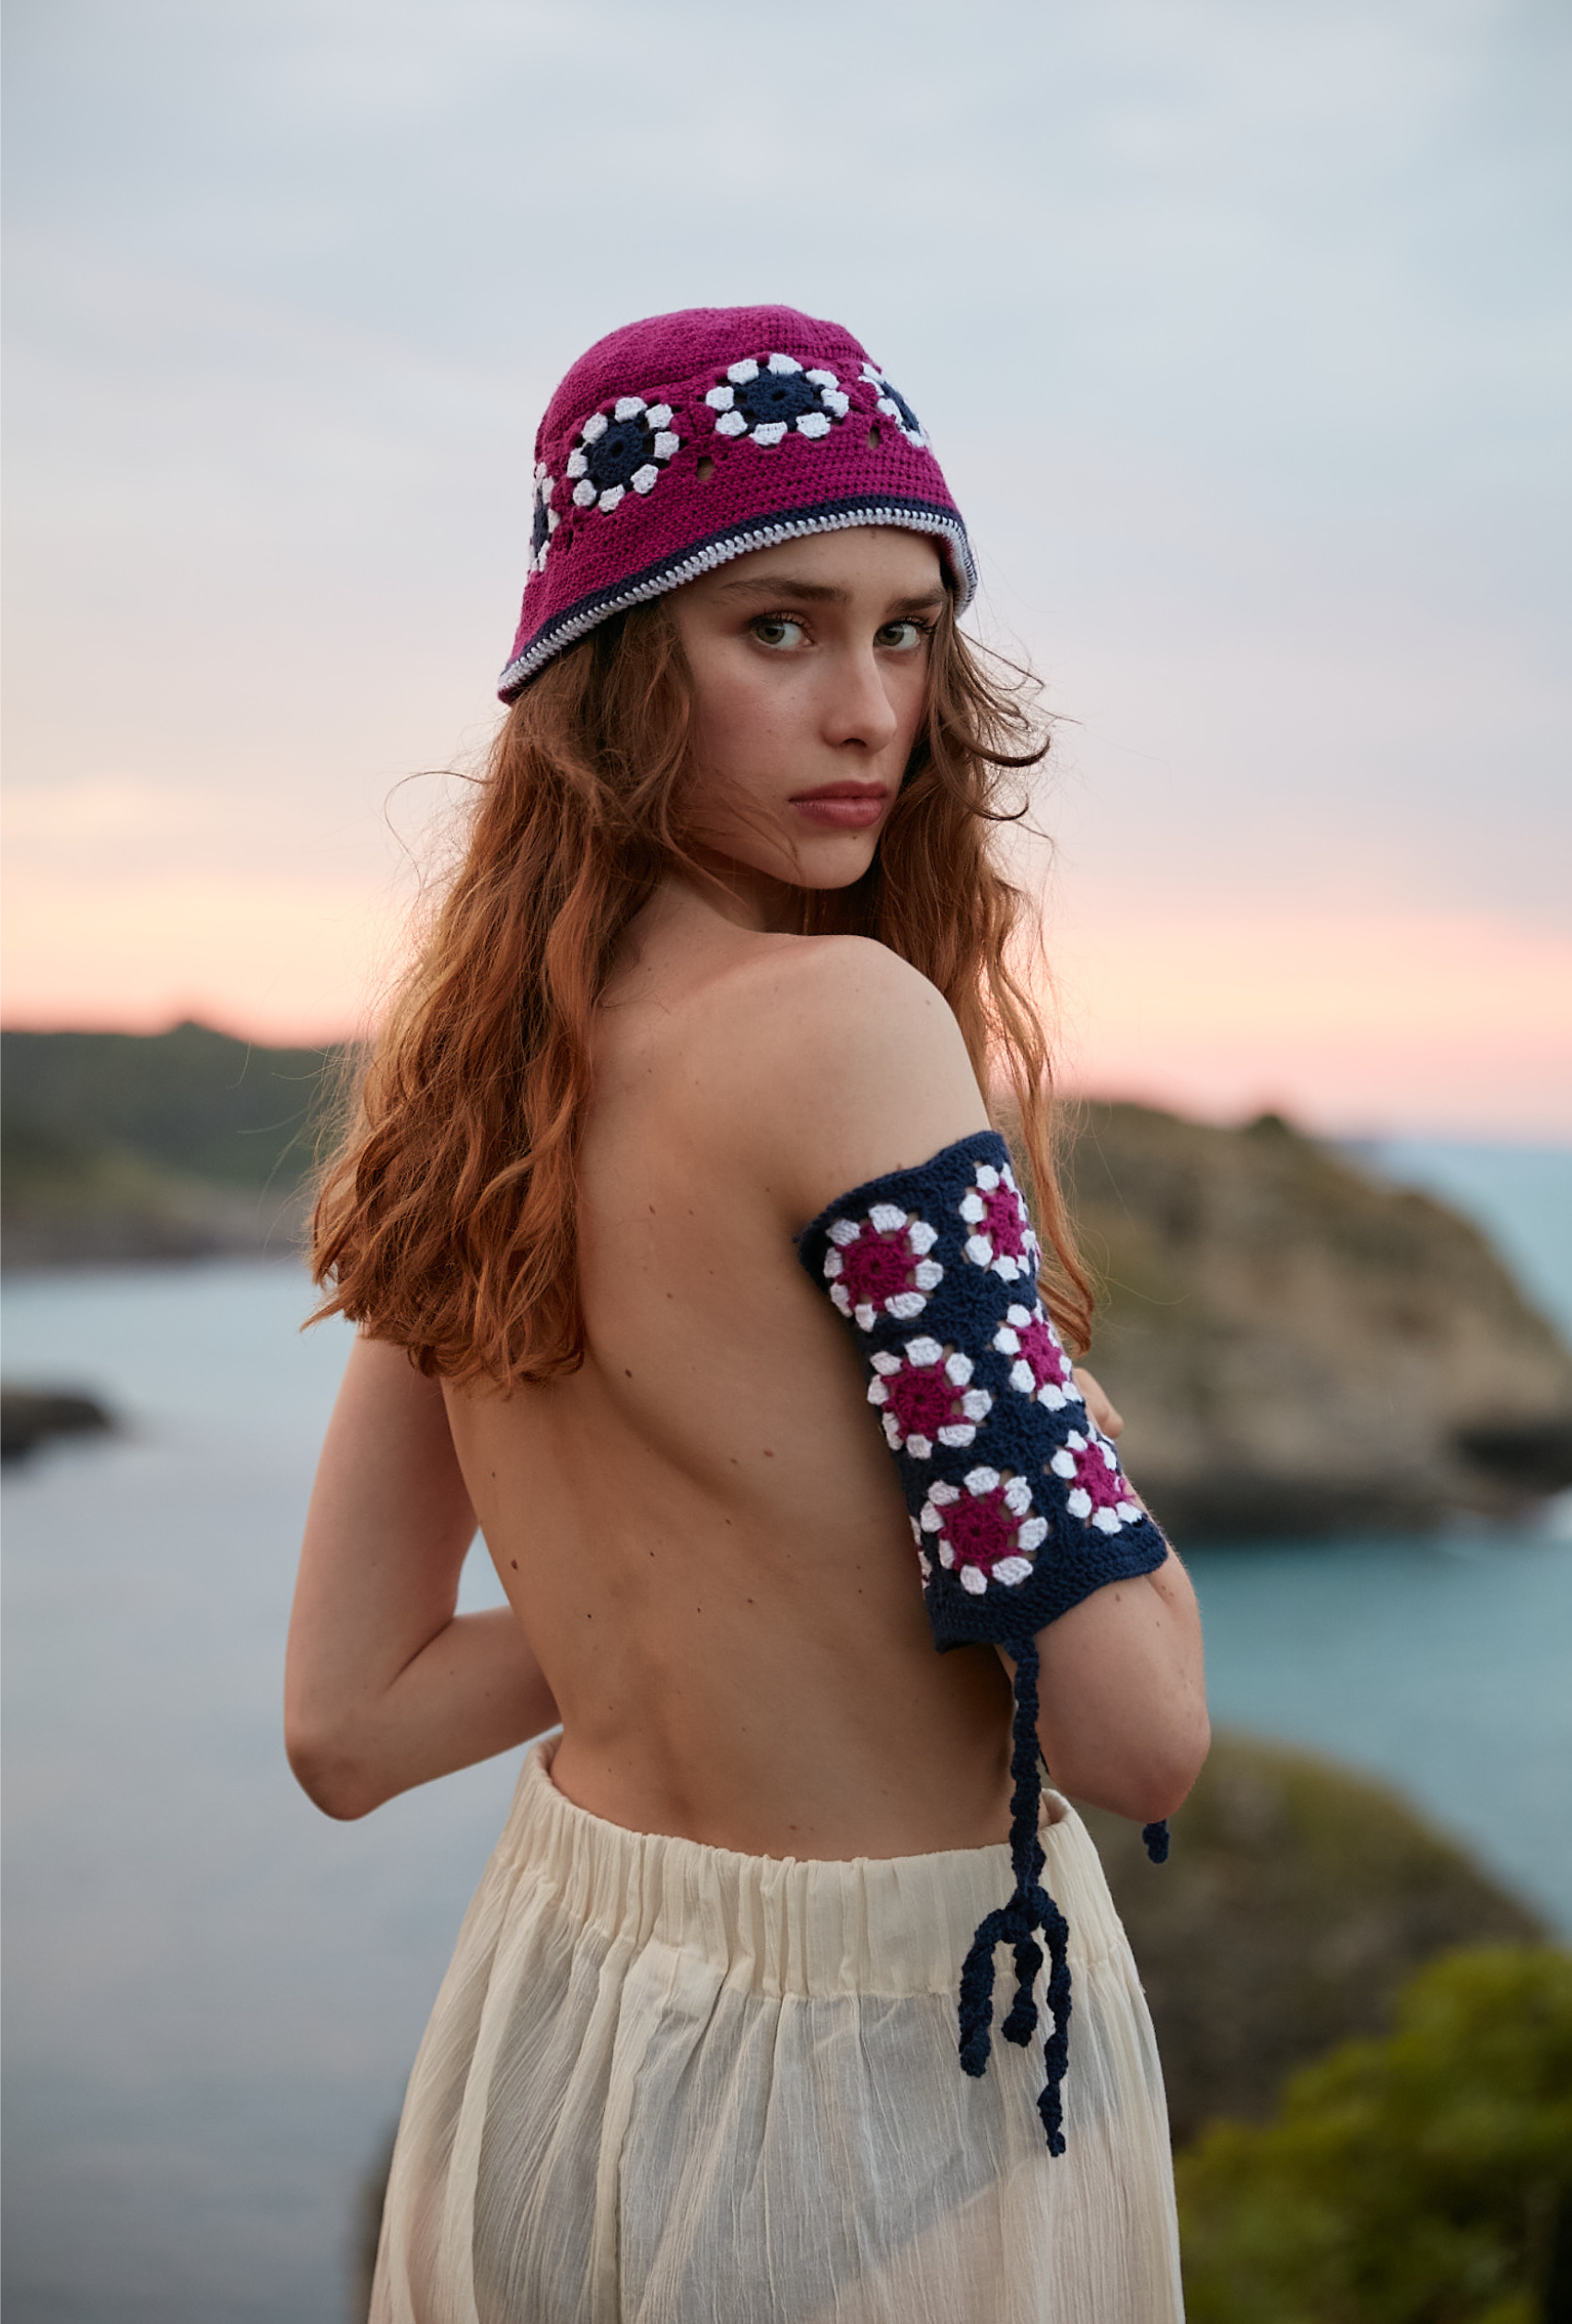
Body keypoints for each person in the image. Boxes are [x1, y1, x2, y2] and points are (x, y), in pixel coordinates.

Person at [285, 304, 1210, 2324]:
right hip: (879, 2065)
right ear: (614, 669)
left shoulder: (474, 1093)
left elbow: (351, 1723)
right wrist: (1065, 1439)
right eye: (777, 628)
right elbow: (1140, 1735)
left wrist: (740, 1581)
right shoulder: (847, 1023)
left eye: (906, 632)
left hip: (553, 2020)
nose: (869, 710)